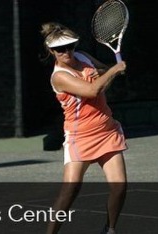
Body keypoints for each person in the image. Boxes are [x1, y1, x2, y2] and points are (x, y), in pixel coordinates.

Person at [41, 22, 128, 234]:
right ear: (52, 51)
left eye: (70, 46)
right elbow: (91, 90)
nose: (67, 52)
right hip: (80, 137)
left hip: (107, 131)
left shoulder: (83, 56)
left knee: (120, 187)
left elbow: (103, 74)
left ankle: (110, 229)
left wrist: (109, 73)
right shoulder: (59, 76)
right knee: (70, 190)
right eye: (60, 49)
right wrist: (114, 71)